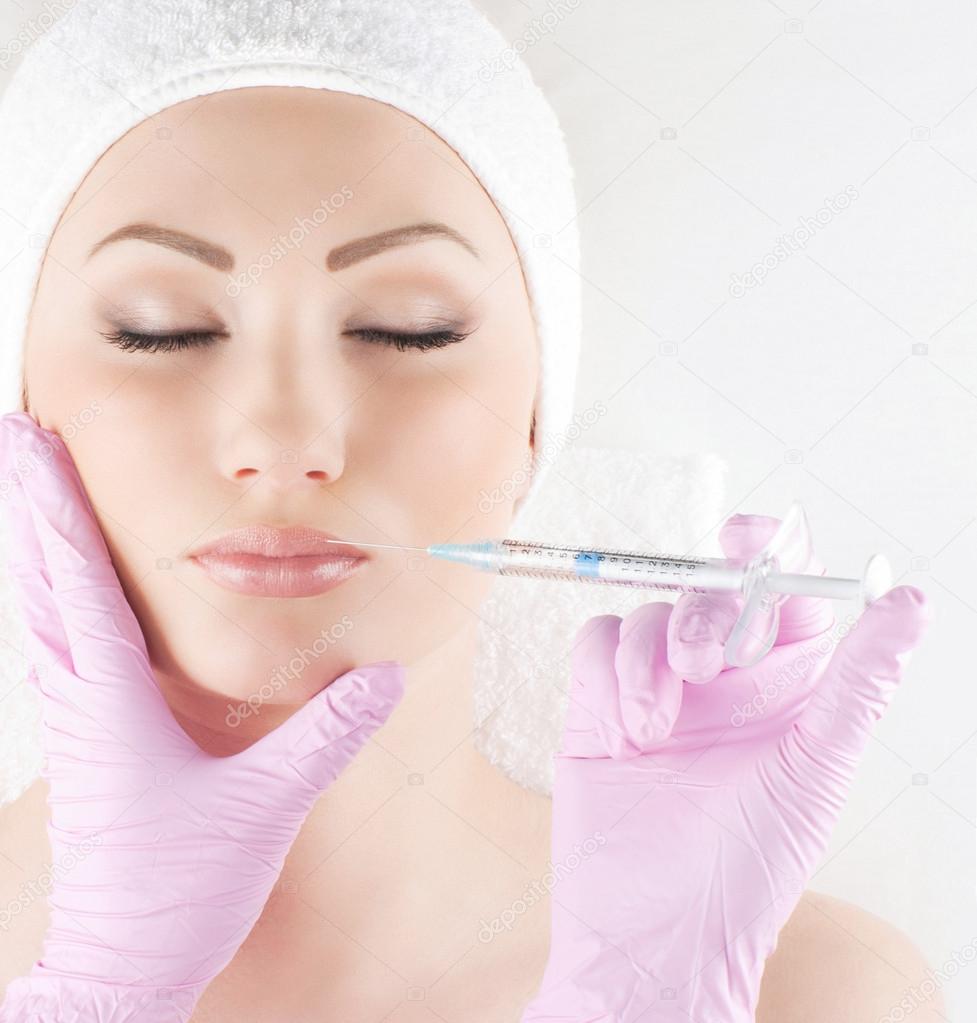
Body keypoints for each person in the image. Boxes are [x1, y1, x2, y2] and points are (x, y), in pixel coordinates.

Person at [0, 1, 943, 1020]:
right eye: (161, 331)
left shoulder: (808, 993)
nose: (282, 440)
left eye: (409, 330)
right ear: (20, 404)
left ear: (538, 416)